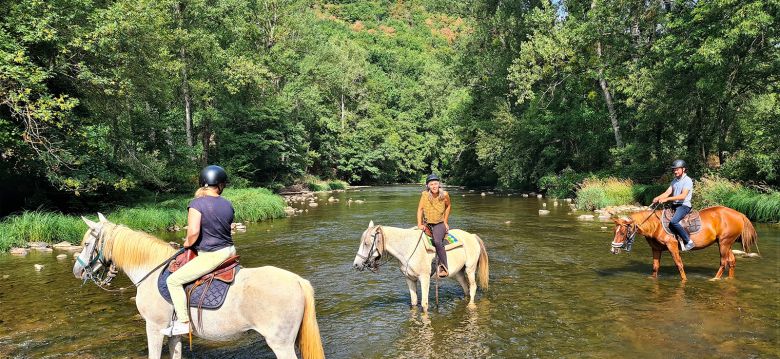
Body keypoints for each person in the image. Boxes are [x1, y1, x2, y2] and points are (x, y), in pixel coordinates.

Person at [162, 165, 237, 336]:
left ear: (203, 183)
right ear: (220, 185)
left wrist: (187, 244)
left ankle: (183, 323)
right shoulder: (227, 203)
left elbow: (194, 233)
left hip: (212, 255)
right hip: (230, 251)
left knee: (173, 281)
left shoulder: (196, 204)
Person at [652, 159, 696, 251]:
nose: (675, 171)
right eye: (674, 170)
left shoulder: (687, 180)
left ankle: (689, 241)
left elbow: (683, 196)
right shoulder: (674, 181)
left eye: (677, 169)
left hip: (684, 206)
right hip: (675, 205)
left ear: (683, 169)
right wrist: (657, 198)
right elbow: (667, 193)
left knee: (674, 222)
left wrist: (667, 199)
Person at [417, 174, 452, 278]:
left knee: (437, 241)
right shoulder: (424, 195)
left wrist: (445, 221)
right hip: (427, 224)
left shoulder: (445, 194)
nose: (434, 186)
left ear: (439, 184)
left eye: (435, 184)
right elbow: (420, 209)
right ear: (428, 186)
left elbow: (448, 206)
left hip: (439, 224)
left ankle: (444, 267)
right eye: (431, 184)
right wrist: (419, 224)